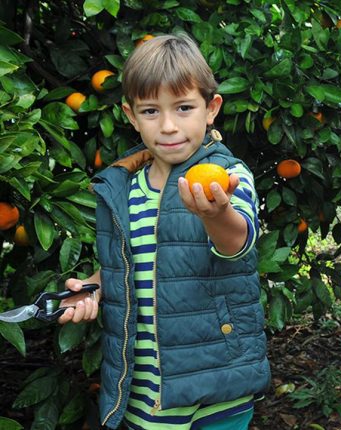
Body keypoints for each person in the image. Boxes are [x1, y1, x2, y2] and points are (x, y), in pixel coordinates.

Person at [57, 34, 270, 430]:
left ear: (211, 109)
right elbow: (133, 261)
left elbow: (237, 243)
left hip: (218, 387)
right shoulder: (123, 190)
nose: (169, 126)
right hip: (143, 393)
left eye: (184, 107)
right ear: (131, 115)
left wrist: (216, 214)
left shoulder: (227, 177)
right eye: (151, 111)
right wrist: (94, 286)